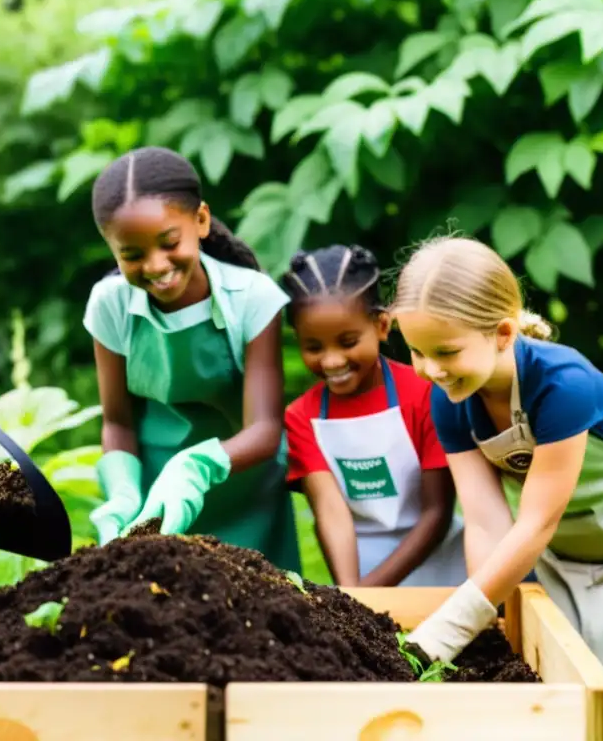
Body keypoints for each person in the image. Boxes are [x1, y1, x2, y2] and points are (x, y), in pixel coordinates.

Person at [393, 236, 603, 741]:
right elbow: (484, 519)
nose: (430, 370)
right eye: (416, 351)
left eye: (446, 351)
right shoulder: (451, 399)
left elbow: (536, 519)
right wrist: (487, 614)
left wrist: (447, 629)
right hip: (559, 544)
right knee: (561, 699)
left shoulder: (562, 385)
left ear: (502, 333)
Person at [82, 146, 301, 572]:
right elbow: (118, 423)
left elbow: (265, 429)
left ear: (200, 220)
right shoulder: (110, 305)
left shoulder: (252, 298)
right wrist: (123, 493)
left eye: (169, 243)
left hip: (244, 490)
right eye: (131, 255)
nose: (156, 265)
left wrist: (196, 467)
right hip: (154, 500)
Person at [281, 244, 466, 587]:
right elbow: (330, 511)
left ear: (382, 325)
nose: (332, 361)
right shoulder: (301, 416)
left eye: (348, 342)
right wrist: (351, 595)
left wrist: (369, 594)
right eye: (314, 347)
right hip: (358, 570)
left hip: (444, 572)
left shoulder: (426, 393)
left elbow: (436, 512)